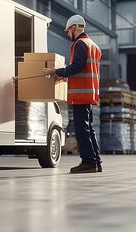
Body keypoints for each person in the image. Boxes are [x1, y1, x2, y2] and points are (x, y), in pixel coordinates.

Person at [45, 15, 102, 174]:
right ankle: (96, 161)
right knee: (89, 129)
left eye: (68, 30)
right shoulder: (93, 45)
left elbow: (77, 66)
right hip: (89, 93)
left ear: (74, 28)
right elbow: (83, 70)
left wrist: (56, 71)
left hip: (80, 95)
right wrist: (63, 77)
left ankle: (88, 162)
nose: (67, 34)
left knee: (82, 130)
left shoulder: (80, 44)